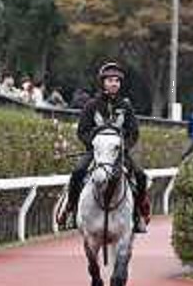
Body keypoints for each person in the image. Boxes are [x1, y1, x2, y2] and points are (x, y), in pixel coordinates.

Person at [57, 61, 151, 233]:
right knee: (78, 172)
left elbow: (133, 132)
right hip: (96, 153)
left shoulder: (126, 106)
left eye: (117, 80)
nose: (114, 83)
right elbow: (82, 131)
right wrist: (94, 145)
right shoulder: (91, 105)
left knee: (140, 175)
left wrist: (124, 147)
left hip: (119, 154)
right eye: (110, 80)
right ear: (103, 82)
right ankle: (71, 209)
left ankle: (138, 215)